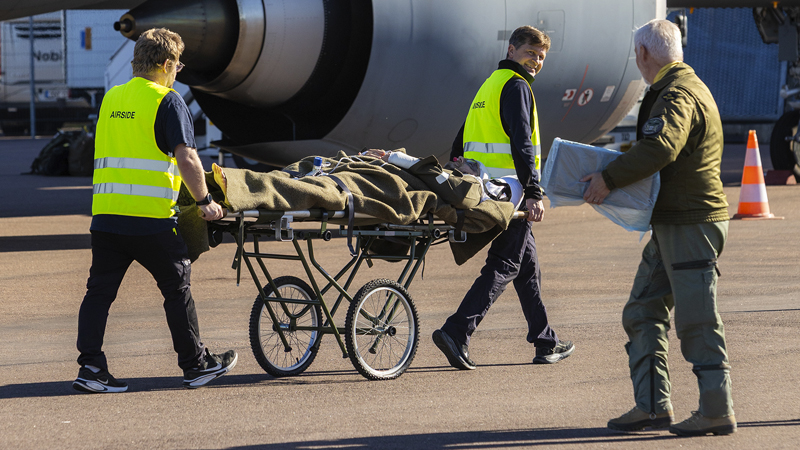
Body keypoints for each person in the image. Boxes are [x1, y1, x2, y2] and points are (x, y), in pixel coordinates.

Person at [582, 19, 735, 436]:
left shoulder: (677, 94)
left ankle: (716, 410)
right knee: (642, 310)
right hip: (675, 223)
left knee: (697, 319)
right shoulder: (683, 87)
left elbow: (662, 146)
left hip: (690, 224)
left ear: (644, 53)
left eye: (637, 55)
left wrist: (608, 179)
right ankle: (651, 406)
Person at [73, 28, 237, 393]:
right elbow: (187, 158)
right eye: (178, 65)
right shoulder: (168, 101)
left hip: (106, 217)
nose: (178, 71)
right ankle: (196, 365)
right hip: (150, 220)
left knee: (98, 292)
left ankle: (91, 368)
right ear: (166, 64)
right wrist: (205, 202)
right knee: (176, 288)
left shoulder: (112, 98)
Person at [431, 25, 574, 370]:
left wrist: (459, 175)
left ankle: (545, 340)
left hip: (486, 191)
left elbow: (459, 142)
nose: (536, 61)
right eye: (530, 53)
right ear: (512, 50)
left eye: (541, 56)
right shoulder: (517, 86)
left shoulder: (489, 86)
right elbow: (522, 143)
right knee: (506, 264)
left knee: (527, 268)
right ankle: (457, 331)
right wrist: (534, 192)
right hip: (510, 193)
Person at [360, 149, 524, 207]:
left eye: (472, 164)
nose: (461, 158)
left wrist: (393, 157)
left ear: (474, 176)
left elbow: (435, 174)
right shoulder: (450, 182)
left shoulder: (471, 189)